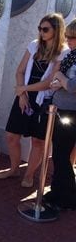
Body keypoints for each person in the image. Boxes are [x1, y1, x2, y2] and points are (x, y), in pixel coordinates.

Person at [0, 13, 67, 188]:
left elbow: (50, 82)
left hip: (44, 101)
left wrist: (24, 89)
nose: (41, 32)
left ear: (56, 30)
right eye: (39, 28)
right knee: (11, 136)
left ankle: (29, 175)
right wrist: (22, 95)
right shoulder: (34, 46)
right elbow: (20, 71)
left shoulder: (63, 52)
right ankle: (14, 169)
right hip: (24, 96)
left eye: (45, 29)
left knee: (38, 141)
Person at [43, 19, 76, 210]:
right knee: (60, 155)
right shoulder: (71, 56)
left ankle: (67, 196)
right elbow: (60, 81)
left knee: (61, 156)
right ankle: (59, 191)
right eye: (68, 37)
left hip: (70, 113)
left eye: (72, 38)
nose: (69, 41)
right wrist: (59, 81)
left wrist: (60, 79)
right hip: (61, 109)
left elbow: (72, 86)